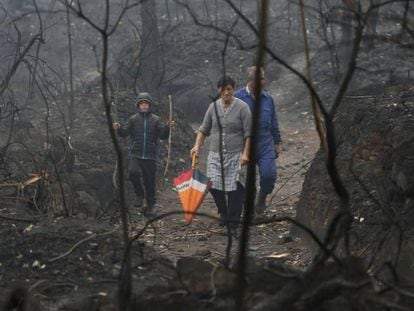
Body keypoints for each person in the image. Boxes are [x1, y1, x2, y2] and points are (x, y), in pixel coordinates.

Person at [191, 75, 251, 237]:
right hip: (215, 155)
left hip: (235, 154)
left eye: (229, 90)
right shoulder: (213, 107)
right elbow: (204, 129)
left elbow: (249, 134)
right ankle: (223, 212)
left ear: (233, 89)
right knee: (213, 185)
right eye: (223, 90)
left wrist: (246, 154)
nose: (226, 93)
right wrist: (197, 146)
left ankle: (234, 222)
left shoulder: (243, 108)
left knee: (235, 189)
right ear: (219, 91)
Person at [112, 92, 173, 217]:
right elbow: (124, 133)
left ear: (149, 105)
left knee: (149, 181)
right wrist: (118, 128)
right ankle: (139, 195)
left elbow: (162, 135)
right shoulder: (133, 119)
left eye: (146, 104)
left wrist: (168, 127)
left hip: (150, 155)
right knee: (133, 172)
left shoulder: (156, 120)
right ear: (138, 106)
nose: (144, 106)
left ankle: (150, 206)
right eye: (141, 104)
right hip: (136, 153)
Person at [235, 66, 282, 214]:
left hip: (265, 142)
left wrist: (277, 142)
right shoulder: (238, 98)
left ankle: (262, 198)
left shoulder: (268, 98)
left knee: (269, 175)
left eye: (263, 78)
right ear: (250, 81)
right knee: (247, 181)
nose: (263, 81)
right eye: (260, 78)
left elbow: (274, 121)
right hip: (244, 144)